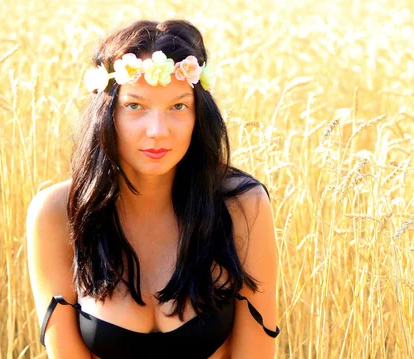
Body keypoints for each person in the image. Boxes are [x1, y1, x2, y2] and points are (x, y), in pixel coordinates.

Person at [26, 19, 279, 359]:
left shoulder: (241, 205)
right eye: (135, 106)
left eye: (178, 106)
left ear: (198, 114)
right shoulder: (58, 213)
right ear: (107, 112)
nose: (157, 131)